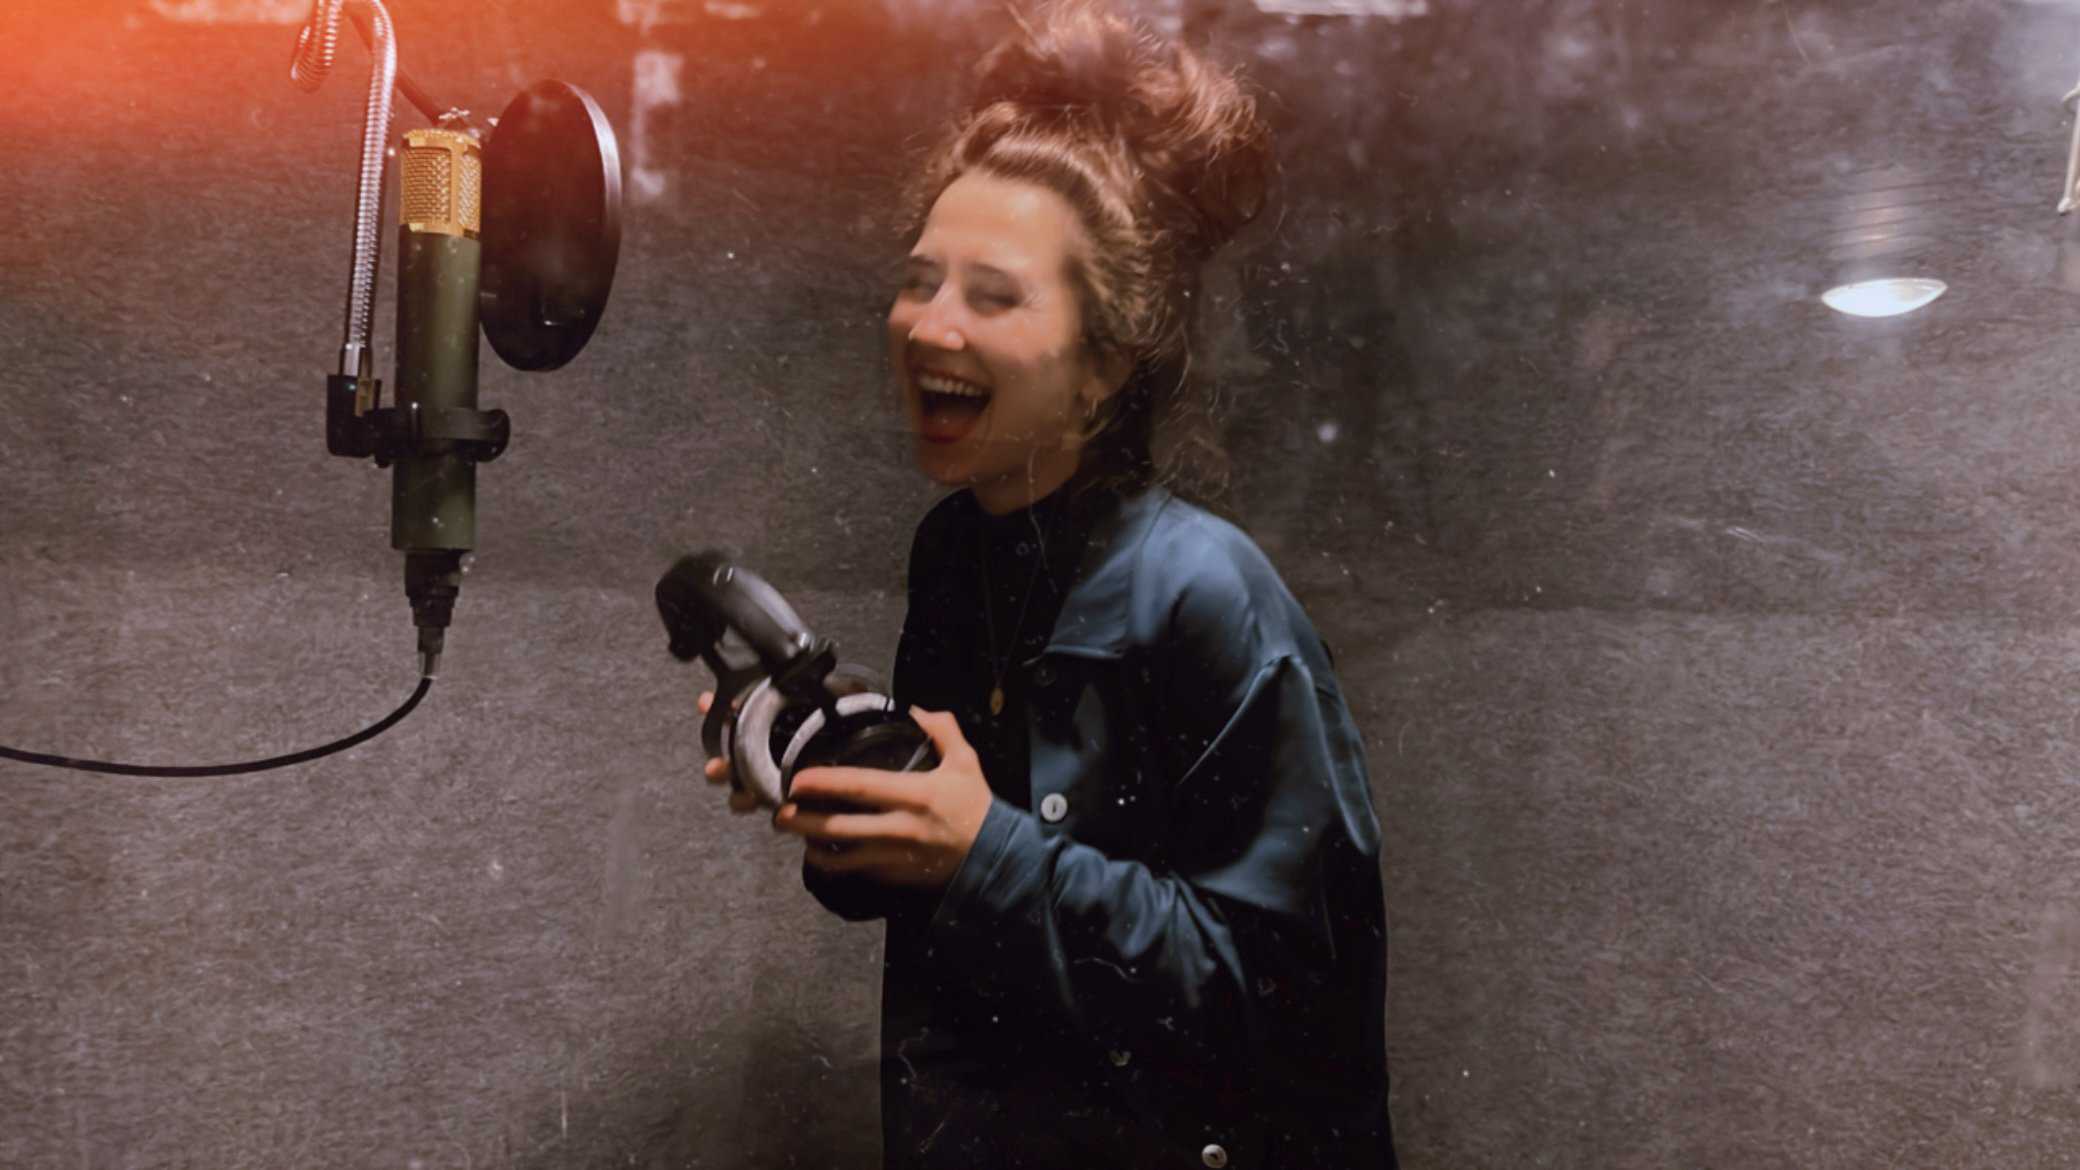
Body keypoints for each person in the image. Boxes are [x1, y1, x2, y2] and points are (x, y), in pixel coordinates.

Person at [700, 3, 1396, 1165]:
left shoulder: (1210, 593)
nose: (928, 325)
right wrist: (836, 791)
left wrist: (981, 851)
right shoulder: (955, 551)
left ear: (1103, 365)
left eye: (993, 295)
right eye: (919, 281)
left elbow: (1292, 1009)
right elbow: (957, 898)